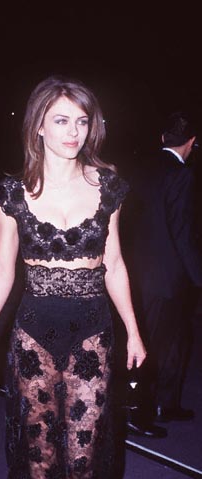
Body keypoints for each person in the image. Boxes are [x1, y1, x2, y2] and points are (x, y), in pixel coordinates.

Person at [0, 75, 146, 479]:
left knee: (84, 451)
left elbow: (114, 263)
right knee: (41, 449)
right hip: (33, 332)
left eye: (81, 121)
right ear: (39, 126)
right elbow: (2, 271)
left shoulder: (108, 186)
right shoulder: (11, 193)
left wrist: (134, 330)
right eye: (61, 120)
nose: (73, 131)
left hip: (92, 330)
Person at [122, 111, 202, 426]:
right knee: (156, 346)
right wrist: (198, 278)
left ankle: (166, 403)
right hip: (169, 278)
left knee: (174, 341)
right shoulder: (182, 175)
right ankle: (139, 414)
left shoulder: (140, 167)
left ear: (162, 138)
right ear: (192, 142)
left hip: (140, 272)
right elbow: (183, 233)